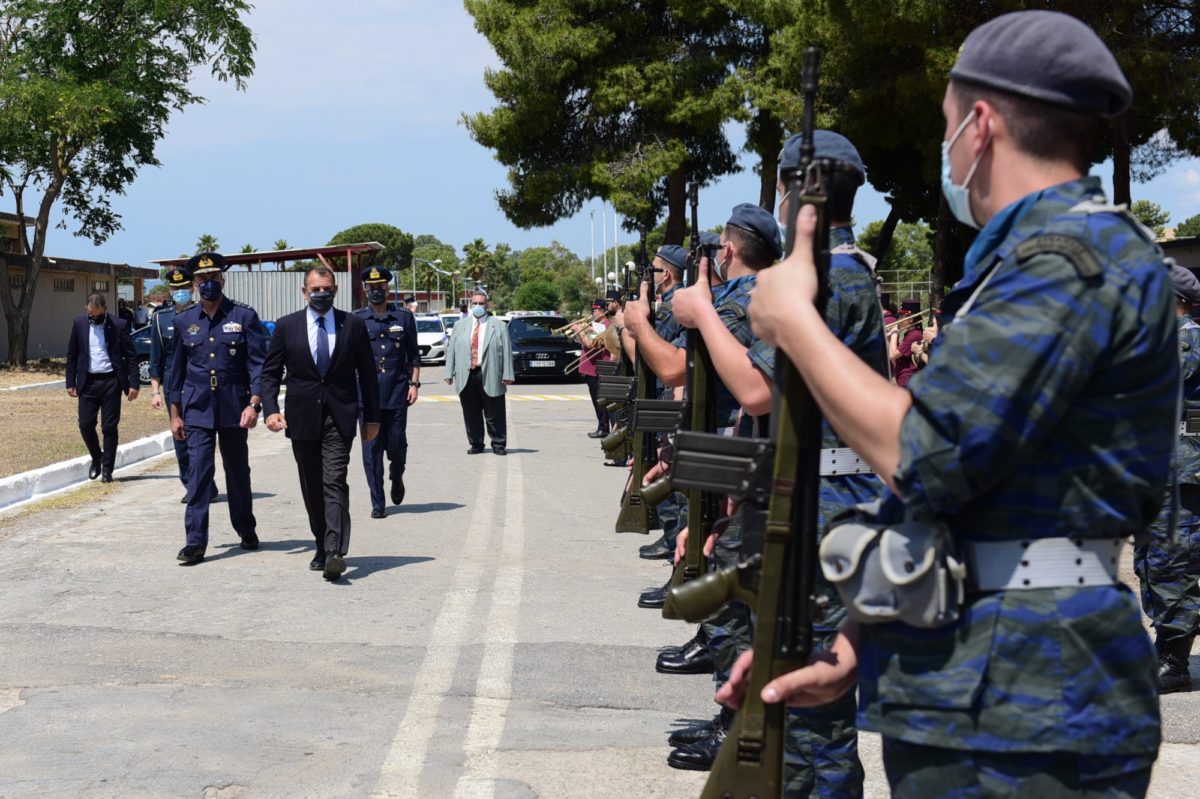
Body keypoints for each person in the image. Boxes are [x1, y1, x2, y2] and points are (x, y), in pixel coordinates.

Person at [738, 11, 1173, 798]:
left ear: (980, 125)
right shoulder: (1018, 267)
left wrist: (796, 324)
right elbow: (968, 497)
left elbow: (927, 452)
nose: (948, 151)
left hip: (1033, 709)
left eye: (946, 126)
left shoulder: (1071, 262)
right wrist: (854, 641)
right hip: (980, 695)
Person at [670, 131, 886, 794]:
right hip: (807, 495)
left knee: (810, 709)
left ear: (793, 191)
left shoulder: (825, 280)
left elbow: (758, 389)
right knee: (784, 683)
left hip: (824, 509)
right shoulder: (834, 273)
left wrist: (704, 312)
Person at [262, 265, 381, 581]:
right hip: (301, 417)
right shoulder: (287, 327)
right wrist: (271, 409)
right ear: (304, 292)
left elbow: (368, 375)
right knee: (311, 485)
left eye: (326, 288)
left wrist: (371, 418)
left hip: (340, 417)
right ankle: (320, 542)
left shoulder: (352, 325)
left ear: (336, 289)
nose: (321, 294)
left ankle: (334, 552)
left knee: (334, 481)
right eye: (315, 289)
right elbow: (270, 373)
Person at [167, 252, 267, 564]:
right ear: (194, 285)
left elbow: (258, 366)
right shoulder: (184, 322)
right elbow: (176, 373)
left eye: (213, 278)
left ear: (222, 280)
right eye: (202, 280)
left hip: (235, 408)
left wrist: (254, 404)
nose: (208, 284)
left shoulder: (243, 316)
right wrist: (175, 414)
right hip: (197, 409)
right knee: (198, 475)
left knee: (237, 474)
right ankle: (195, 543)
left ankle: (245, 529)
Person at [1136, 261, 1200, 694]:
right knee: (1155, 561)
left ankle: (1176, 663)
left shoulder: (1184, 338)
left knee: (1171, 563)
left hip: (1180, 472)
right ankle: (1168, 649)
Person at [355, 266, 420, 518]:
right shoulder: (357, 319)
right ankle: (377, 502)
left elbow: (414, 356)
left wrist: (414, 385)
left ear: (388, 288)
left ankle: (397, 474)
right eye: (372, 288)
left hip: (396, 392)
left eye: (380, 287)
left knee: (396, 445)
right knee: (371, 452)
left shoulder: (403, 318)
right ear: (365, 290)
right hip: (366, 396)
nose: (376, 291)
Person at [149, 266, 216, 504]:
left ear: (193, 288)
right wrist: (155, 391)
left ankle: (206, 483)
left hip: (198, 381)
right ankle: (190, 482)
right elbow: (156, 358)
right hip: (172, 383)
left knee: (201, 434)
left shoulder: (203, 312)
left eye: (184, 287)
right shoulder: (160, 317)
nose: (180, 292)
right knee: (180, 435)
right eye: (176, 288)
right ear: (170, 289)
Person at [65, 293, 139, 482]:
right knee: (85, 424)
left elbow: (131, 356)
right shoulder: (79, 323)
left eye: (97, 315)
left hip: (111, 382)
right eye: (91, 314)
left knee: (109, 427)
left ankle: (107, 470)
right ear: (86, 309)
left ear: (105, 310)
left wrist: (134, 383)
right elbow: (72, 354)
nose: (93, 318)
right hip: (88, 382)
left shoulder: (119, 325)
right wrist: (70, 382)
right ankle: (97, 457)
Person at [444, 288, 514, 455]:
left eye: (481, 303)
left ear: (487, 305)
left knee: (494, 412)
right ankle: (476, 443)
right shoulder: (460, 325)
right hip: (466, 374)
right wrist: (448, 372)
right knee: (471, 412)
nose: (477, 306)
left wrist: (508, 374)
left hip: (489, 372)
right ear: (470, 304)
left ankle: (498, 444)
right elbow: (452, 349)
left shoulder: (499, 326)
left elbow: (506, 351)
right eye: (474, 303)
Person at [571, 299, 612, 438]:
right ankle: (601, 426)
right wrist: (580, 332)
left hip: (597, 368)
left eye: (594, 310)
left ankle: (604, 428)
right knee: (596, 400)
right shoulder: (596, 325)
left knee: (600, 401)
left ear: (602, 311)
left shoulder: (605, 326)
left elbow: (591, 344)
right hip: (590, 368)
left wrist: (579, 331)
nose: (592, 313)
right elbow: (583, 342)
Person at [888, 300, 925, 387]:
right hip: (904, 379)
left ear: (911, 319)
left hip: (909, 380)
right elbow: (894, 358)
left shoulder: (914, 335)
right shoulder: (909, 333)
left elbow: (893, 355)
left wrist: (894, 334)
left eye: (901, 316)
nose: (899, 319)